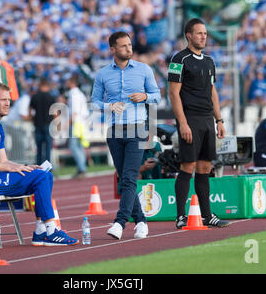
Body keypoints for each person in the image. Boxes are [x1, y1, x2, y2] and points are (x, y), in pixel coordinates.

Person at [0, 82, 78, 246]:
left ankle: (40, 230)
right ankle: (51, 230)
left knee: (45, 175)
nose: (8, 103)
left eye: (9, 100)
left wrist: (22, 166)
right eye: (3, 99)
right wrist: (9, 167)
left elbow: (3, 160)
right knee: (40, 178)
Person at [91, 31, 161, 240]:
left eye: (130, 45)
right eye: (123, 46)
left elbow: (157, 97)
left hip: (136, 129)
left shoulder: (143, 69)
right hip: (113, 131)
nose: (129, 49)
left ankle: (120, 223)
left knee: (129, 177)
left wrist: (145, 96)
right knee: (125, 179)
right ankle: (141, 221)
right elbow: (94, 102)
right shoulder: (103, 74)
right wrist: (109, 106)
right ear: (112, 49)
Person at [168, 18, 230, 229]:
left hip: (206, 120)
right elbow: (173, 94)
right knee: (188, 165)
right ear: (189, 35)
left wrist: (219, 120)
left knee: (205, 167)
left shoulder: (209, 61)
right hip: (190, 118)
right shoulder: (179, 59)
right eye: (199, 33)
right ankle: (180, 216)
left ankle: (207, 215)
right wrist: (182, 123)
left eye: (205, 33)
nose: (203, 36)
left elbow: (213, 92)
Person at [66, 74, 89, 179]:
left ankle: (82, 169)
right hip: (82, 122)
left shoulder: (73, 94)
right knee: (79, 146)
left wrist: (68, 123)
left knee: (74, 146)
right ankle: (82, 168)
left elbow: (74, 111)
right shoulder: (80, 93)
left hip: (76, 123)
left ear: (71, 82)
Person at [29, 78, 55, 165]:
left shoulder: (35, 97)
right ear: (47, 86)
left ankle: (39, 167)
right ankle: (47, 167)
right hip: (48, 125)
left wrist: (32, 118)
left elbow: (30, 110)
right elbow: (55, 112)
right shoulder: (51, 97)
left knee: (39, 148)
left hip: (37, 124)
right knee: (48, 148)